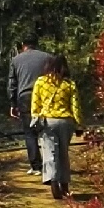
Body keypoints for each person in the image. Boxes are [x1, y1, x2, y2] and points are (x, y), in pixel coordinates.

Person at [7, 40, 62, 174]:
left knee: (29, 132)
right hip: (45, 95)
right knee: (46, 129)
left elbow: (12, 84)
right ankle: (50, 164)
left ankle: (36, 166)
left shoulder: (16, 60)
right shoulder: (48, 57)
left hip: (25, 96)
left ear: (22, 45)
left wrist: (13, 104)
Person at [28, 63, 82, 199]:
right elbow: (75, 106)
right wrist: (79, 125)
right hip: (65, 122)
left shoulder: (40, 82)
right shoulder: (69, 84)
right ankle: (65, 186)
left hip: (47, 122)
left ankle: (53, 182)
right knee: (63, 153)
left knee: (50, 153)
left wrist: (35, 120)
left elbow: (35, 104)